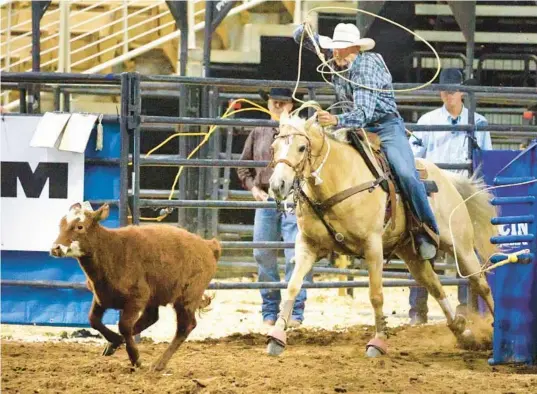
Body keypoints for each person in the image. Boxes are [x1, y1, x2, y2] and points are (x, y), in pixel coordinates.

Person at [293, 22, 440, 261]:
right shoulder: (335, 56)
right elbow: (300, 35)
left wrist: (335, 119)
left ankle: (426, 229)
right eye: (334, 49)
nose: (336, 54)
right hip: (350, 125)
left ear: (355, 49)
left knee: (405, 172)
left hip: (383, 126)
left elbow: (364, 113)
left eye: (342, 49)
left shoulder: (366, 67)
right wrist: (306, 32)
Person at [407, 68, 492, 325]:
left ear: (462, 93)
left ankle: (465, 309)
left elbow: (484, 159)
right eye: (444, 91)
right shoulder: (426, 122)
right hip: (433, 193)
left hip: (461, 192)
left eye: (452, 90)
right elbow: (413, 158)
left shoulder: (478, 122)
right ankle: (417, 311)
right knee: (423, 248)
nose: (448, 95)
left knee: (465, 253)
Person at [236, 87, 313, 327]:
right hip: (267, 198)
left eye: (283, 103)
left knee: (296, 255)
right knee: (263, 253)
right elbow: (243, 166)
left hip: (294, 198)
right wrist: (253, 188)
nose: (279, 107)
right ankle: (270, 310)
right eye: (274, 103)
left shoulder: (300, 133)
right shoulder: (259, 131)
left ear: (292, 106)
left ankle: (293, 311)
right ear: (268, 105)